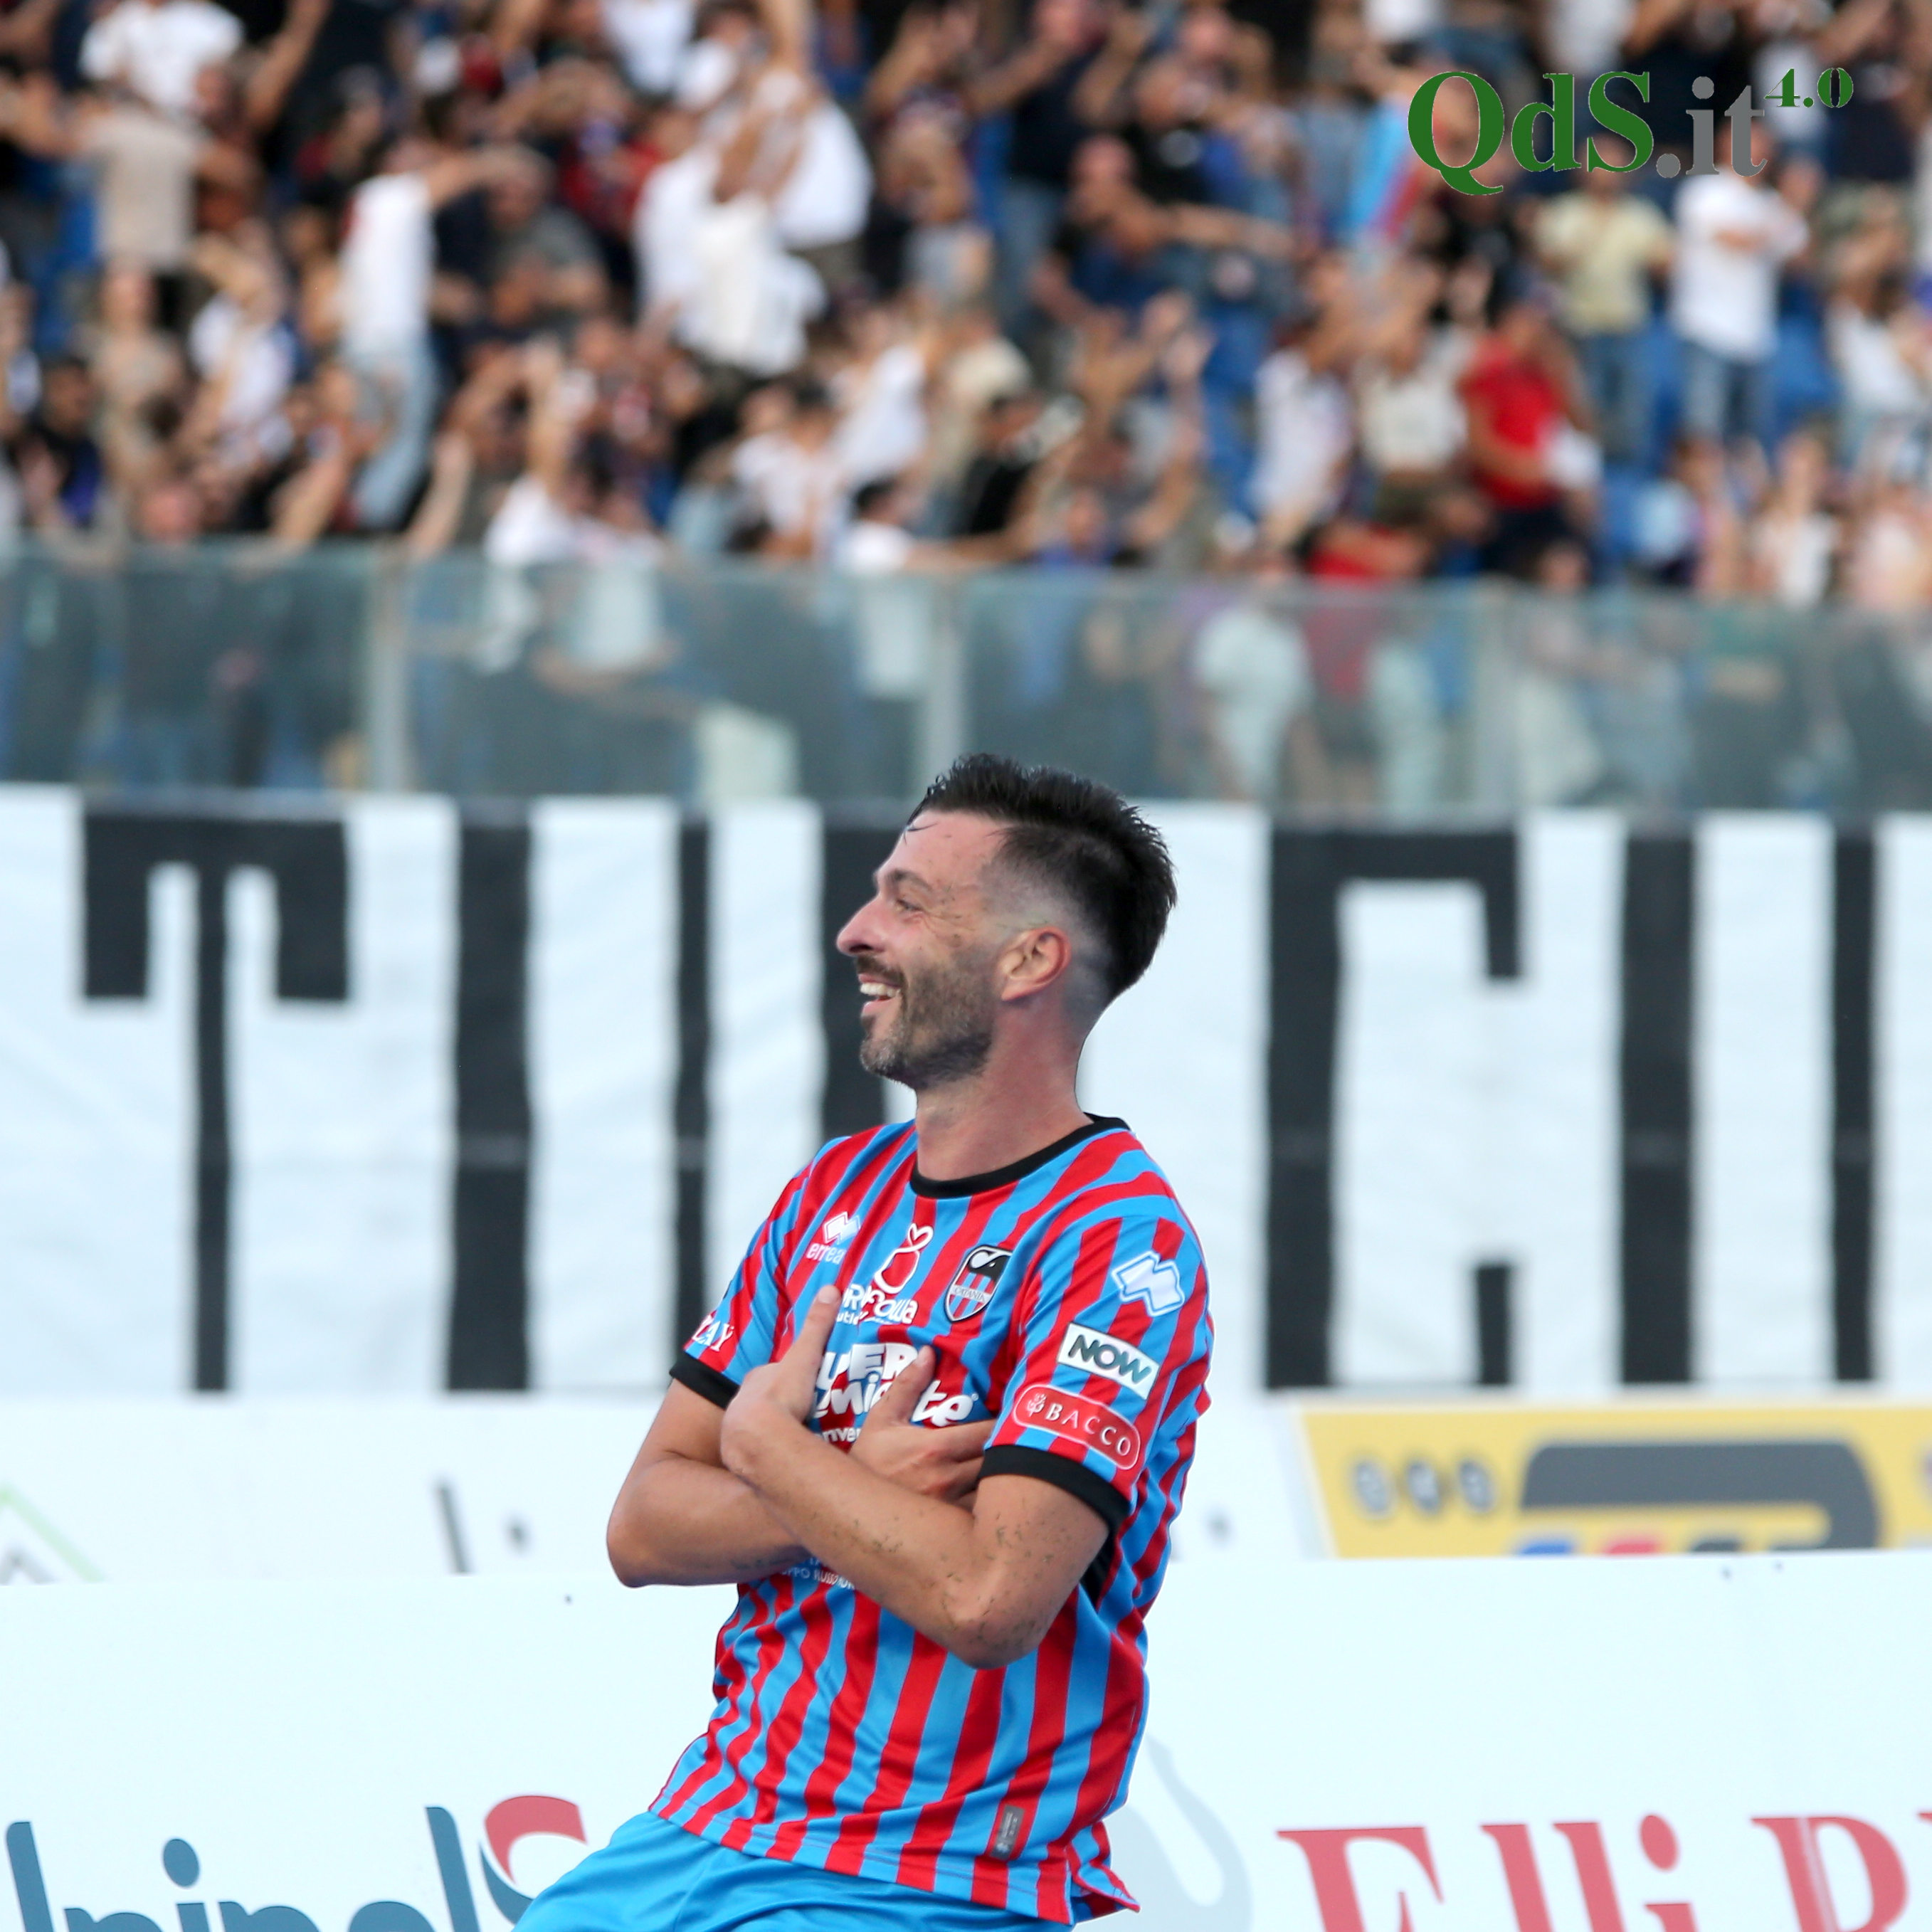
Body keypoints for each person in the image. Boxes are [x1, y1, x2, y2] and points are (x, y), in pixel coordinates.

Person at [525, 755, 1209, 1928]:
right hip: (709, 1822)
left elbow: (991, 1596)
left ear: (1029, 960)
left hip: (935, 1876)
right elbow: (641, 1528)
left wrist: (774, 1454)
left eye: (909, 900)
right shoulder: (833, 1192)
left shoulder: (1121, 1243)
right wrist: (835, 1493)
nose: (856, 931)